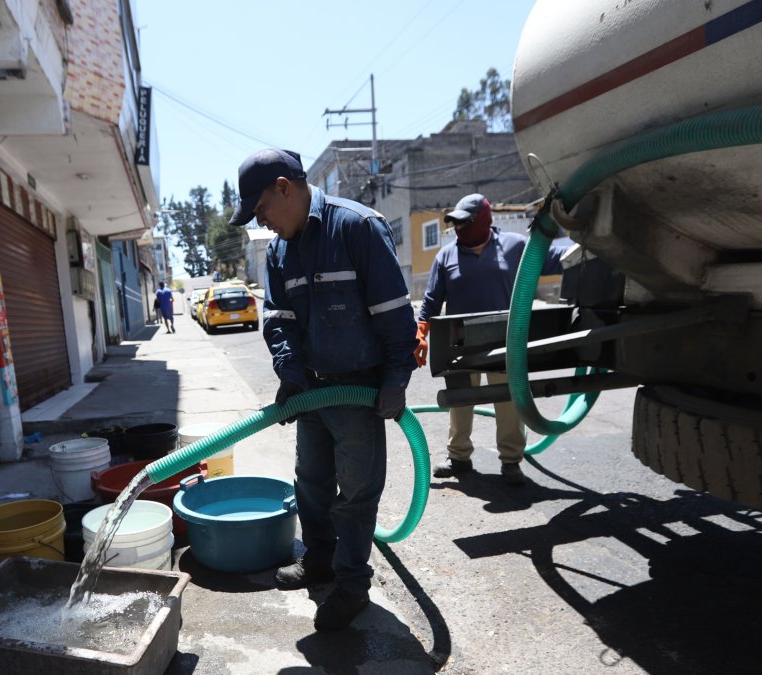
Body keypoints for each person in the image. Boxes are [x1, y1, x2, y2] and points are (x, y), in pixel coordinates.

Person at [231, 148, 417, 631]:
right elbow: (279, 321)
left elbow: (395, 312)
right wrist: (290, 376)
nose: (263, 222)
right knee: (310, 483)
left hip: (359, 390)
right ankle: (319, 562)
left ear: (284, 188)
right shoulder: (278, 250)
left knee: (355, 495)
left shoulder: (356, 227)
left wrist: (396, 379)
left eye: (262, 209)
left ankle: (352, 587)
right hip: (312, 390)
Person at [414, 193, 568, 486]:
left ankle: (511, 461)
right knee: (460, 403)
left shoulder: (515, 246)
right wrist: (421, 333)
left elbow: (557, 259)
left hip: (504, 340)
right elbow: (431, 302)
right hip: (460, 343)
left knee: (509, 402)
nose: (458, 229)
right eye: (455, 224)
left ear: (484, 220)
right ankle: (459, 456)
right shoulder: (445, 256)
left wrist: (590, 245)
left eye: (464, 223)